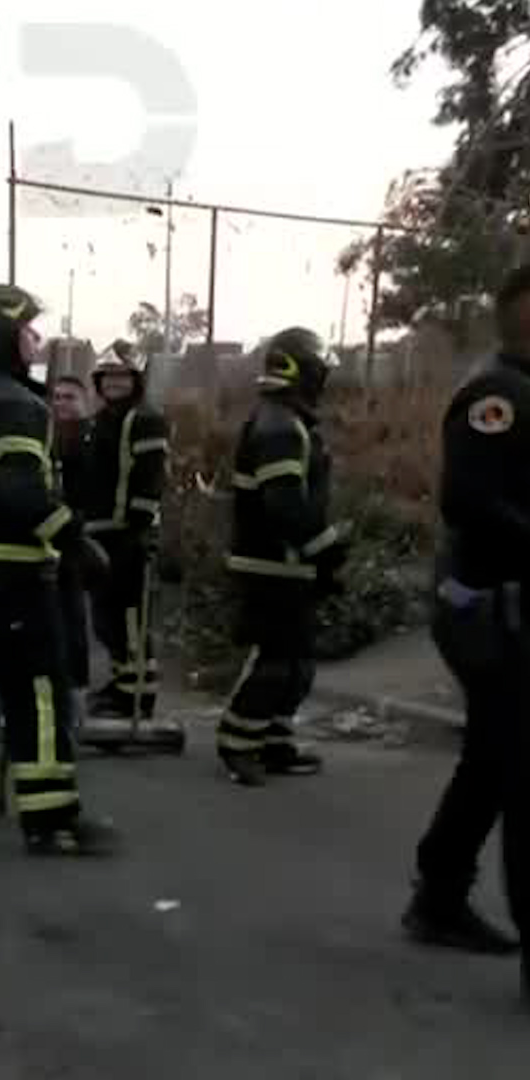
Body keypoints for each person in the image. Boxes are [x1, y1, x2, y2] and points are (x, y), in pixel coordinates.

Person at [0, 283, 120, 857]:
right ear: (7, 334)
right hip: (7, 581)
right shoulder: (14, 403)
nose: (36, 341)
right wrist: (76, 540)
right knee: (37, 694)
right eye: (29, 330)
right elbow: (20, 492)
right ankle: (52, 820)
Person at [402, 264, 530, 989]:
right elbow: (469, 502)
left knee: (491, 756)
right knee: (515, 763)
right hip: (495, 613)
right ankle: (442, 893)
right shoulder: (498, 396)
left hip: (503, 611)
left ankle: (440, 894)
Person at [217, 327, 344, 787]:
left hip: (289, 563)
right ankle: (237, 741)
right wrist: (327, 549)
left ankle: (273, 740)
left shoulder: (286, 420)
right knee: (274, 661)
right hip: (269, 565)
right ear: (307, 372)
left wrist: (320, 556)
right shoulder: (279, 426)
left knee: (297, 663)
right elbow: (286, 505)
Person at [79, 341, 170, 720]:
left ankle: (137, 697)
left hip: (126, 535)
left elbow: (151, 478)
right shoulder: (103, 419)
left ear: (136, 379)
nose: (114, 383)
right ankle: (122, 685)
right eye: (108, 376)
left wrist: (139, 528)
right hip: (101, 533)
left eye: (122, 376)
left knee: (130, 619)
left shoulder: (144, 418)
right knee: (107, 619)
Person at [50, 375, 94, 702]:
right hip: (46, 535)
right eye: (58, 397)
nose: (62, 403)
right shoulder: (47, 437)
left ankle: (77, 689)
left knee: (73, 614)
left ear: (85, 402)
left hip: (77, 536)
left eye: (70, 397)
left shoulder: (92, 438)